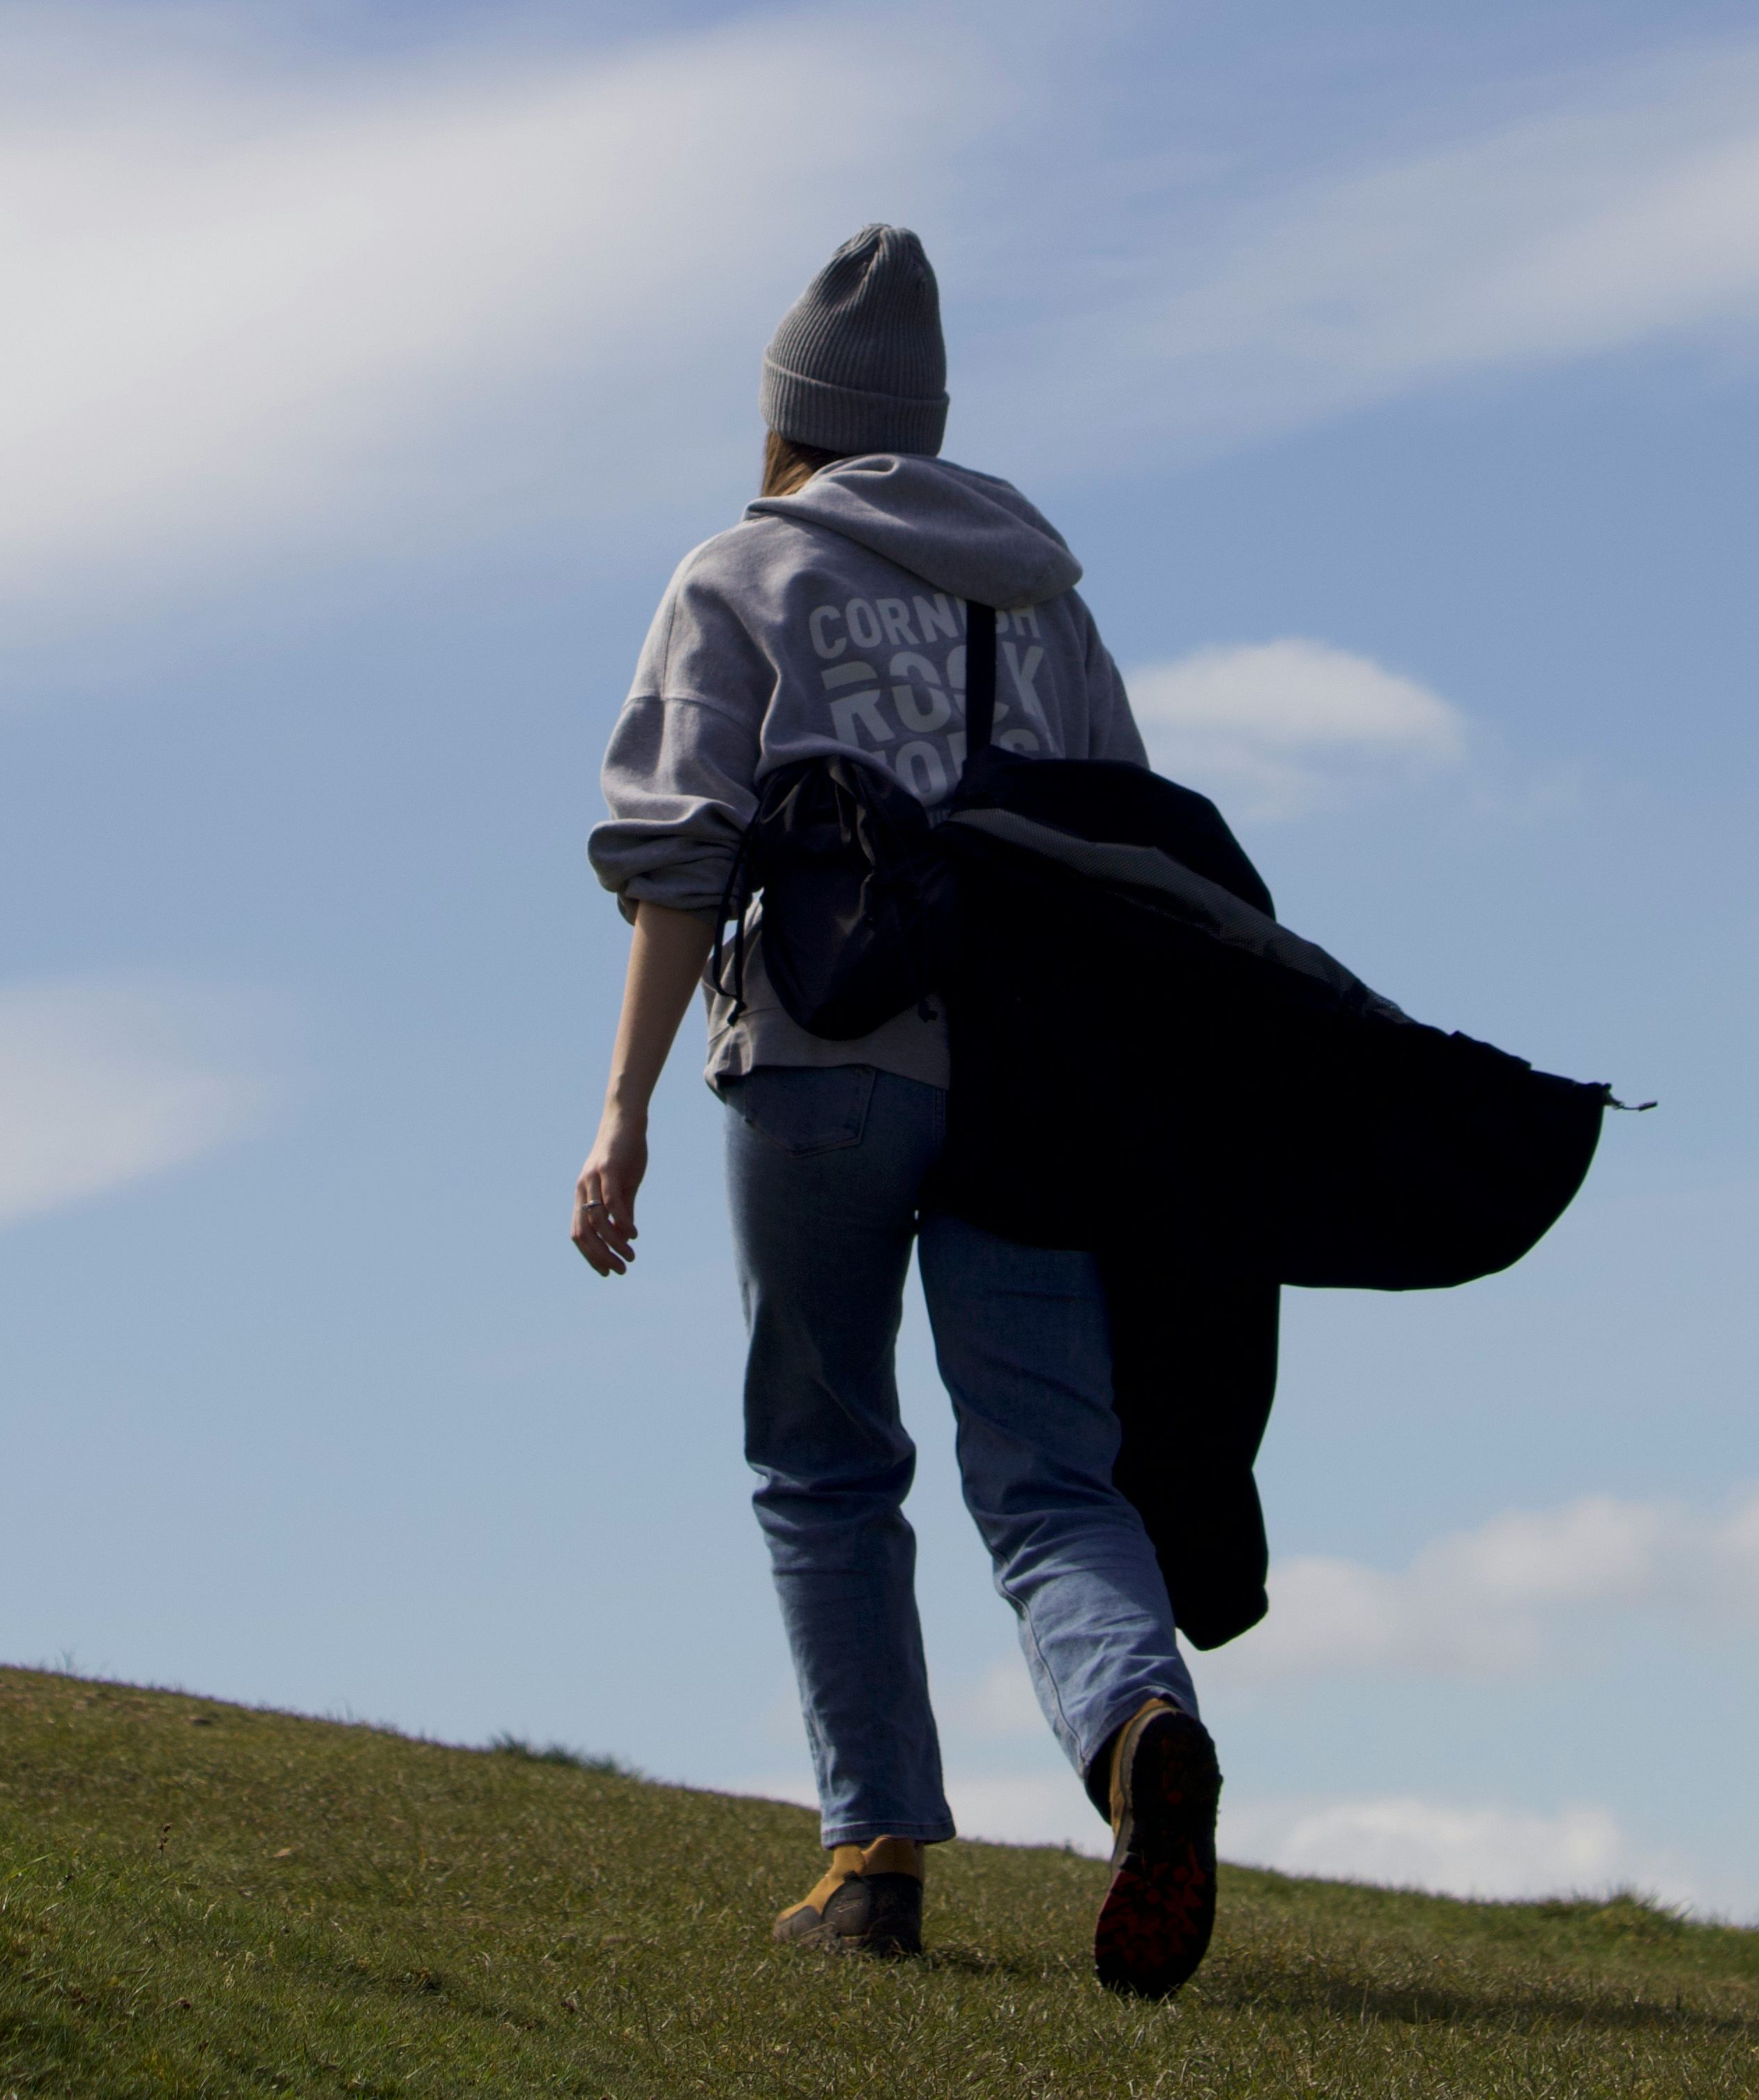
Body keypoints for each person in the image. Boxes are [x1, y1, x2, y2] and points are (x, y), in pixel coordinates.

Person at [573, 225, 1223, 1998]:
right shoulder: (1042, 597)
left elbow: (677, 857)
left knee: (824, 1457)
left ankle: (871, 1863)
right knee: (1050, 1472)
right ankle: (1136, 1725)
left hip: (820, 1067)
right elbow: (1127, 850)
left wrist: (622, 1108)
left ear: (785, 416)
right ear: (924, 419)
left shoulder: (741, 573)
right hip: (1026, 1090)